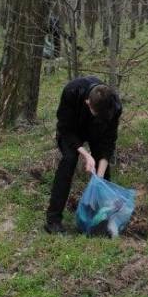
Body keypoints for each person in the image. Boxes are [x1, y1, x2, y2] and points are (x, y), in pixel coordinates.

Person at [45, 76, 123, 234]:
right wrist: (86, 155)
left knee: (103, 176)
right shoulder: (71, 92)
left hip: (97, 133)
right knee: (69, 160)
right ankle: (53, 220)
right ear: (88, 103)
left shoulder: (113, 105)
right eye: (96, 114)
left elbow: (108, 143)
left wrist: (98, 179)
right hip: (72, 130)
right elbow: (65, 129)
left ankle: (100, 222)